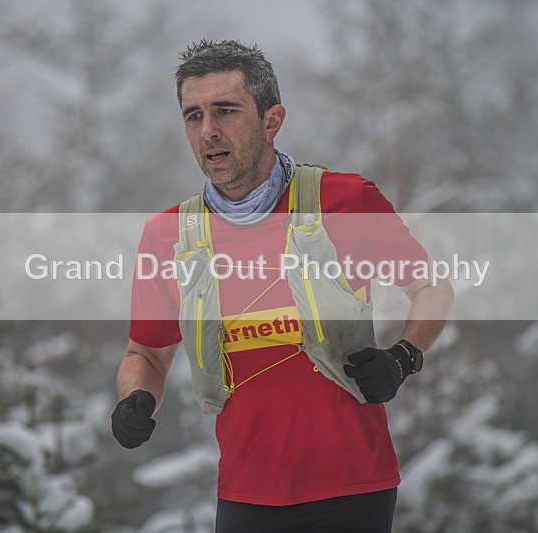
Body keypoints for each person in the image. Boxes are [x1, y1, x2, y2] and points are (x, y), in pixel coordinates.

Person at [112, 39, 454, 533]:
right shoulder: (168, 236)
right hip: (244, 493)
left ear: (272, 120)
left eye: (225, 111)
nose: (209, 131)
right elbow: (145, 354)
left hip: (353, 487)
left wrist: (403, 357)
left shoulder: (346, 200)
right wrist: (133, 400)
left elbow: (432, 285)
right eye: (194, 115)